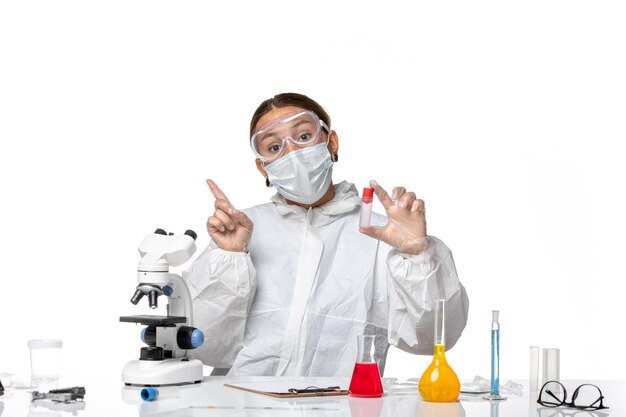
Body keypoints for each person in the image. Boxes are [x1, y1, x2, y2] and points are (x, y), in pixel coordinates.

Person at [185, 93, 469, 377]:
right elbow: (202, 344)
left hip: (339, 406)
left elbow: (434, 338)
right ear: (263, 167)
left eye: (304, 135)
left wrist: (416, 254)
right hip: (243, 404)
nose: (293, 153)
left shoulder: (383, 236)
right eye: (274, 147)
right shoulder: (242, 231)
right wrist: (230, 259)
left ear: (331, 142)